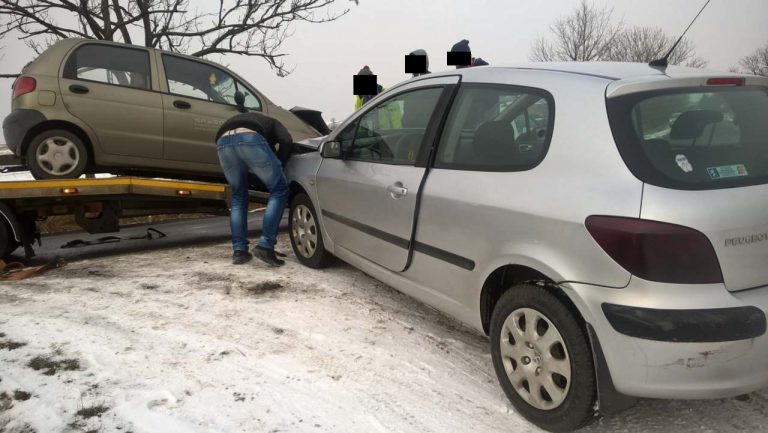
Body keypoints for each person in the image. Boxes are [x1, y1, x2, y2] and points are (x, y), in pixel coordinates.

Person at [215, 112, 293, 266]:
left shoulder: (253, 120)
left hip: (222, 141)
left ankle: (239, 251)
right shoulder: (274, 122)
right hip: (249, 137)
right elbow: (286, 140)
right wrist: (279, 163)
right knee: (279, 189)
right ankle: (266, 245)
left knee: (238, 196)